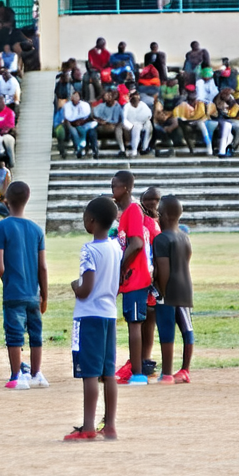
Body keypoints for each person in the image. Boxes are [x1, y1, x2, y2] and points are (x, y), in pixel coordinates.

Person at [66, 197, 122, 441]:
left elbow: (86, 288)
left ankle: (88, 426)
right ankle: (109, 425)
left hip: (88, 316)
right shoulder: (116, 248)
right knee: (108, 372)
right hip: (109, 314)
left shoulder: (89, 249)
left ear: (91, 221)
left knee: (89, 372)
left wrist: (75, 286)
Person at [0, 181, 48, 390]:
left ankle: (17, 375)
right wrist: (44, 294)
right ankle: (36, 373)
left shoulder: (2, 226)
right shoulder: (36, 229)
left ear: (6, 200)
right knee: (36, 333)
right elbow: (42, 267)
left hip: (13, 291)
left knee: (14, 334)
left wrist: (9, 281)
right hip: (34, 292)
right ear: (28, 199)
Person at [112, 170, 153, 386]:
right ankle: (136, 369)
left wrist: (121, 267)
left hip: (135, 277)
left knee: (134, 324)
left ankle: (137, 374)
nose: (112, 190)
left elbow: (136, 243)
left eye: (115, 186)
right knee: (132, 322)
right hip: (130, 278)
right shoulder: (127, 211)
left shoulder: (133, 210)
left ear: (126, 188)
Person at [151, 196, 194, 384]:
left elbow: (163, 269)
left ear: (166, 216)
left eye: (159, 214)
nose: (157, 218)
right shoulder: (185, 237)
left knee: (166, 329)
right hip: (185, 288)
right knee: (186, 328)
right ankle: (185, 369)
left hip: (168, 291)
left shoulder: (161, 239)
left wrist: (161, 289)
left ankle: (167, 373)